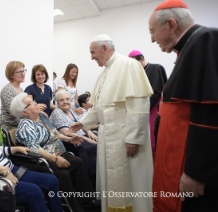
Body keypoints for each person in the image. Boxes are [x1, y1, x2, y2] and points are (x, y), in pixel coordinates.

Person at [69, 34, 154, 212]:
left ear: (105, 48)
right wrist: (82, 123)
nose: (91, 57)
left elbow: (139, 107)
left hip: (125, 137)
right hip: (109, 136)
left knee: (130, 183)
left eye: (93, 52)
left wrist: (134, 138)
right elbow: (99, 106)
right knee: (113, 183)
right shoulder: (104, 73)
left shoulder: (129, 65)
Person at [149, 0, 218, 211]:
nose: (152, 39)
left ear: (171, 24)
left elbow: (210, 112)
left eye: (152, 31)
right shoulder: (188, 48)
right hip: (176, 159)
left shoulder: (206, 39)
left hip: (192, 169)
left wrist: (197, 172)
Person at [11, 93, 97, 212]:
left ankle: (87, 201)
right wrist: (55, 159)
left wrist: (69, 139)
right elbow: (34, 148)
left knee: (78, 162)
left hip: (60, 153)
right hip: (44, 161)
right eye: (30, 103)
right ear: (24, 112)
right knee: (64, 175)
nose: (35, 103)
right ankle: (74, 207)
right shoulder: (25, 125)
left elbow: (55, 133)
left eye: (33, 101)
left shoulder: (42, 117)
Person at [49, 90, 97, 190]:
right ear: (57, 103)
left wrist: (89, 132)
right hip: (73, 142)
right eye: (62, 100)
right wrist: (87, 139)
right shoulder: (57, 113)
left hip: (82, 137)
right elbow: (66, 133)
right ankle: (91, 184)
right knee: (94, 148)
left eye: (67, 99)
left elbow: (80, 123)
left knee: (98, 142)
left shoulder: (71, 110)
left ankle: (97, 181)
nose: (65, 102)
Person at [128, 50, 167, 160]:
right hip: (141, 110)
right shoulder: (136, 73)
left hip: (153, 108)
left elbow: (156, 92)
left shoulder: (156, 68)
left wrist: (143, 109)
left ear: (141, 59)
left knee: (152, 139)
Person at [0, 61, 27, 131]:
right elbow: (14, 111)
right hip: (9, 128)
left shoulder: (21, 89)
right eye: (19, 72)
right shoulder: (7, 89)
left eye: (23, 71)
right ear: (11, 75)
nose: (23, 74)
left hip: (20, 126)